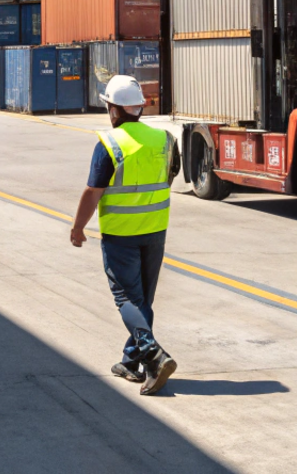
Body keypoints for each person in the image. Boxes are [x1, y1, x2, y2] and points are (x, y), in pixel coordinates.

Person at [69, 74, 180, 395]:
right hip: (155, 231)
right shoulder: (164, 139)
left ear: (114, 110)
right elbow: (170, 177)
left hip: (121, 235)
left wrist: (78, 227)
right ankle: (131, 361)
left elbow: (93, 192)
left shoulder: (110, 144)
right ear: (139, 109)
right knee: (144, 299)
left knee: (126, 298)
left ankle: (154, 354)